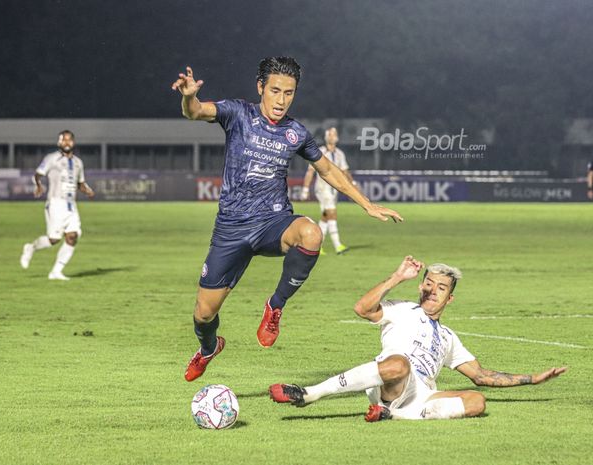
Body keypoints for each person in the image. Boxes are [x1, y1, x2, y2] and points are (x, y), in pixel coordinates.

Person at [171, 57, 403, 382]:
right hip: (232, 230)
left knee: (311, 233)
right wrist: (188, 95)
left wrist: (366, 204)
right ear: (260, 88)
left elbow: (328, 169)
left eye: (289, 93)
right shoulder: (238, 114)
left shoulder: (295, 133)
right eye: (275, 91)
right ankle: (209, 348)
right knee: (204, 313)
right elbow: (195, 111)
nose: (281, 100)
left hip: (274, 224)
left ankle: (275, 306)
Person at [270, 256, 567, 422]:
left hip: (422, 397)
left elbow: (481, 376)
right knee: (400, 364)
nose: (431, 289)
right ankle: (310, 393)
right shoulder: (400, 309)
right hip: (393, 379)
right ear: (420, 286)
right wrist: (397, 277)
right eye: (428, 282)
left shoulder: (449, 338)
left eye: (440, 287)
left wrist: (532, 379)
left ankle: (395, 416)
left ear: (450, 299)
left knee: (476, 402)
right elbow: (362, 308)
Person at [19, 130, 95, 280]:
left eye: (69, 140)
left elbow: (80, 183)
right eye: (63, 140)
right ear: (59, 143)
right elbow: (38, 173)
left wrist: (87, 190)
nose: (67, 142)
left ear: (73, 142)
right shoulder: (51, 159)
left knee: (72, 237)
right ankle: (31, 247)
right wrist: (38, 184)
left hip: (71, 205)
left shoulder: (79, 163)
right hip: (55, 203)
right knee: (54, 240)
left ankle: (56, 271)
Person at [301, 127, 356, 254]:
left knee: (326, 216)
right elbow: (310, 171)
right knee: (332, 213)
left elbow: (345, 171)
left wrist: (352, 183)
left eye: (335, 134)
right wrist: (305, 189)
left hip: (334, 189)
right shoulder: (320, 152)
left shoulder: (340, 154)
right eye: (331, 134)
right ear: (326, 137)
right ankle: (338, 246)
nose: (333, 136)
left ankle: (316, 245)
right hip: (323, 188)